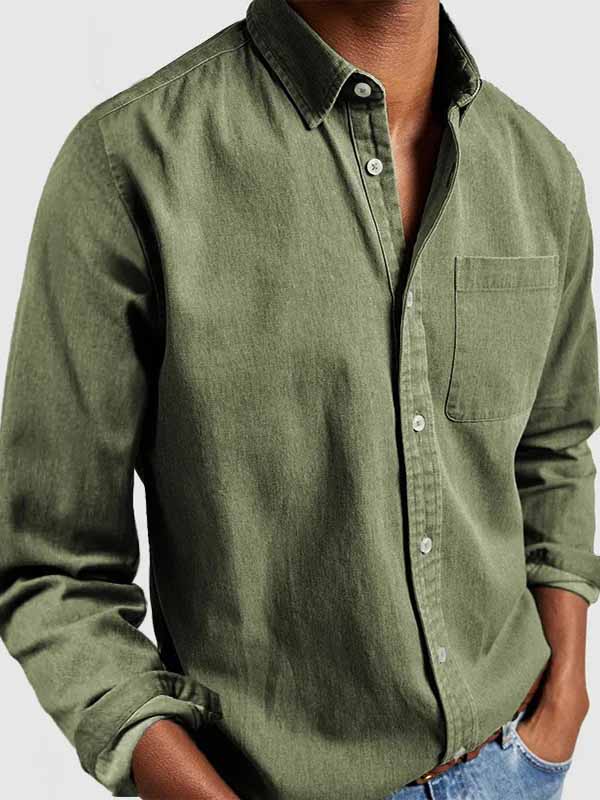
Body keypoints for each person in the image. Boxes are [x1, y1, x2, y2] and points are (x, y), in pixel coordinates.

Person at [0, 0, 598, 797]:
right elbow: (51, 565)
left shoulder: (541, 172)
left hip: (519, 763)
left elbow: (553, 448)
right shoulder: (128, 165)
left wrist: (565, 698)